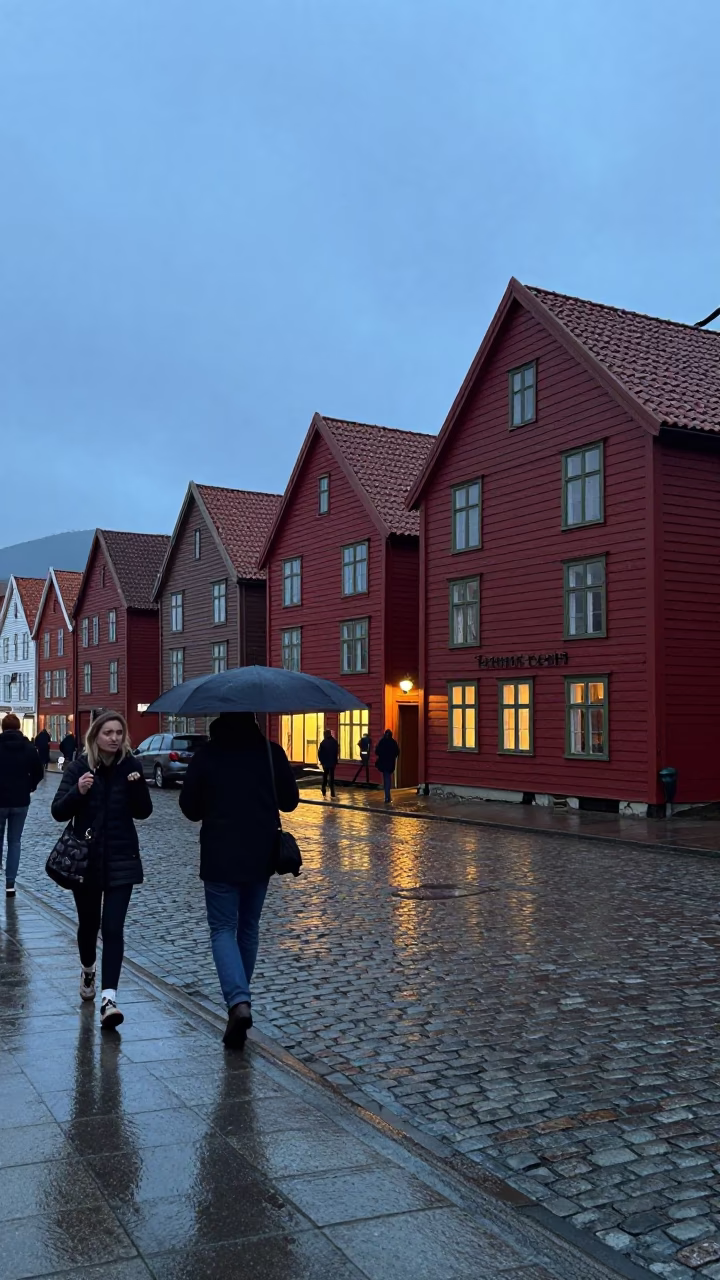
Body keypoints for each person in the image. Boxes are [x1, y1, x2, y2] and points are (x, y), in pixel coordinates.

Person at [179, 712, 299, 1050]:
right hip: (260, 854)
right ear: (253, 719)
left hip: (220, 853)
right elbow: (289, 802)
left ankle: (238, 1002)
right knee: (248, 927)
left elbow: (189, 808)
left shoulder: (207, 755)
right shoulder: (270, 752)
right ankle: (239, 1001)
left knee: (221, 928)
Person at [51, 710, 152, 1029]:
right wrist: (77, 791)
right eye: (108, 733)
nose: (114, 738)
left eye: (119, 733)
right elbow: (58, 811)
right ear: (95, 736)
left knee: (113, 929)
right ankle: (88, 968)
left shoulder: (131, 766)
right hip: (87, 862)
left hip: (122, 859)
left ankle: (110, 1000)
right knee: (88, 925)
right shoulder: (80, 766)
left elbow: (144, 812)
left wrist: (137, 787)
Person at [0, 713, 44, 897]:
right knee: (15, 842)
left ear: (2, 727)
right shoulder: (28, 747)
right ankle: (11, 884)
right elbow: (39, 772)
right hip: (20, 801)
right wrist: (29, 787)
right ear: (18, 727)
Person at [375, 728, 400, 803]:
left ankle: (387, 797)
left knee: (386, 779)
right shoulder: (393, 742)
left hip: (383, 763)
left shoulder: (382, 742)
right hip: (390, 763)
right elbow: (397, 752)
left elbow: (377, 751)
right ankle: (387, 797)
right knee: (388, 779)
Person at [318, 728, 339, 798]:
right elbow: (336, 752)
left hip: (325, 762)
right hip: (332, 762)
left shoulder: (323, 743)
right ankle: (332, 792)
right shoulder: (335, 742)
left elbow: (319, 753)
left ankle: (323, 788)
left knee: (325, 775)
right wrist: (335, 760)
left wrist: (321, 761)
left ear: (325, 734)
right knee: (331, 776)